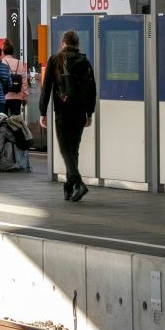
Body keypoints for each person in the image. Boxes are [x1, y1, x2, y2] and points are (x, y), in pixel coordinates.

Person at [39, 30, 98, 202]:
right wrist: (90, 112)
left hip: (63, 111)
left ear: (62, 43)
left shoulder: (55, 60)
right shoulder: (84, 61)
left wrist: (43, 112)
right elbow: (91, 89)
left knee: (66, 150)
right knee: (73, 150)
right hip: (80, 112)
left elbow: (46, 88)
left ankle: (78, 183)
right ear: (77, 45)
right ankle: (70, 187)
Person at [1, 44, 29, 118]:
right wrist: (25, 97)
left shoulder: (1, 62)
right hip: (17, 96)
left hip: (4, 96)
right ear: (13, 52)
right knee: (15, 121)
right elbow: (24, 81)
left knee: (3, 120)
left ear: (3, 52)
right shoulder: (19, 63)